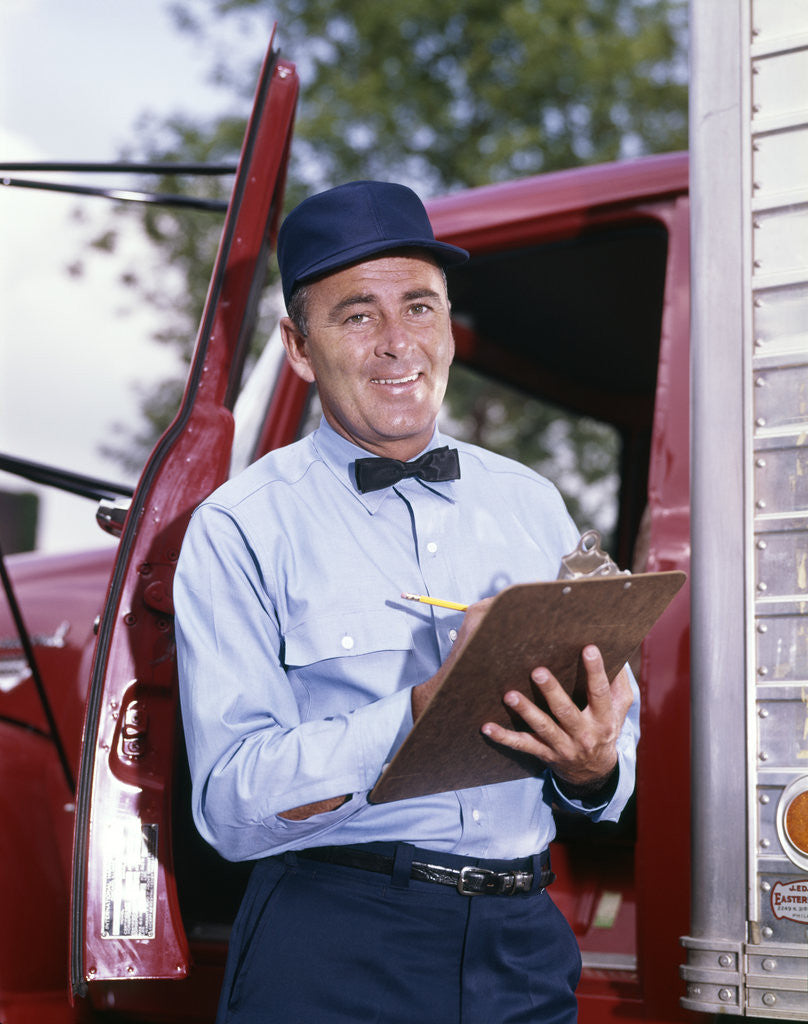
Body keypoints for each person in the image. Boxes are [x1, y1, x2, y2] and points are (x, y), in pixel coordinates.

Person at [174, 180, 639, 1024]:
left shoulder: (533, 502)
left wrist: (594, 766)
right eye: (358, 314)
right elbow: (230, 808)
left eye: (419, 307)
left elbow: (609, 756)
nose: (399, 343)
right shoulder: (238, 528)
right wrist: (419, 715)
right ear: (299, 346)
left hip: (525, 946)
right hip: (337, 946)